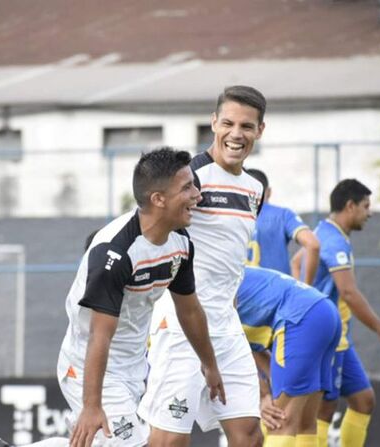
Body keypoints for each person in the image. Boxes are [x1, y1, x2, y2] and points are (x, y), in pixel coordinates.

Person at [59, 146, 224, 447]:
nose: (197, 195)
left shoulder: (181, 243)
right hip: (89, 369)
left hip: (133, 367)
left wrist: (209, 364)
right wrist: (92, 405)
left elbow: (189, 311)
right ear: (158, 199)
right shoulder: (115, 253)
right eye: (187, 187)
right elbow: (99, 336)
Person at [138, 86, 265, 447]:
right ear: (213, 123)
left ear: (260, 130)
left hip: (226, 327)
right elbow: (149, 231)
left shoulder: (254, 188)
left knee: (249, 437)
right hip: (181, 324)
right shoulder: (188, 177)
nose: (236, 134)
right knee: (168, 441)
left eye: (246, 126)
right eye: (228, 123)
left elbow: (231, 259)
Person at [291, 179, 380, 447]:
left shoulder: (324, 231)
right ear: (350, 206)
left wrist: (304, 290)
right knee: (323, 411)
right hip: (328, 339)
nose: (370, 213)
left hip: (342, 339)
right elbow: (349, 293)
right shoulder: (335, 242)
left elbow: (297, 262)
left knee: (364, 400)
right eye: (366, 206)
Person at [237, 265, 341, 447]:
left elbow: (227, 352)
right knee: (304, 424)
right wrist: (267, 392)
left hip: (301, 318)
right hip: (323, 311)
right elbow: (249, 350)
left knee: (280, 421)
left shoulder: (198, 292)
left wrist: (264, 396)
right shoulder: (222, 269)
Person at [246, 168, 320, 284]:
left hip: (241, 295)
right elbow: (312, 244)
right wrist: (305, 289)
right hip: (276, 295)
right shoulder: (282, 215)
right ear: (268, 191)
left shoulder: (229, 217)